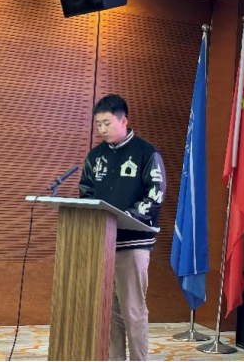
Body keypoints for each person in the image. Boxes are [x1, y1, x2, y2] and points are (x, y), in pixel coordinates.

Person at [79, 94, 166, 362]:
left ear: (123, 121)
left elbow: (155, 195)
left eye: (107, 123)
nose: (102, 129)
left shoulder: (145, 153)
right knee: (109, 310)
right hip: (103, 243)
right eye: (98, 124)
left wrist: (124, 216)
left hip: (133, 243)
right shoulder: (96, 156)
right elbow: (86, 192)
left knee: (133, 310)